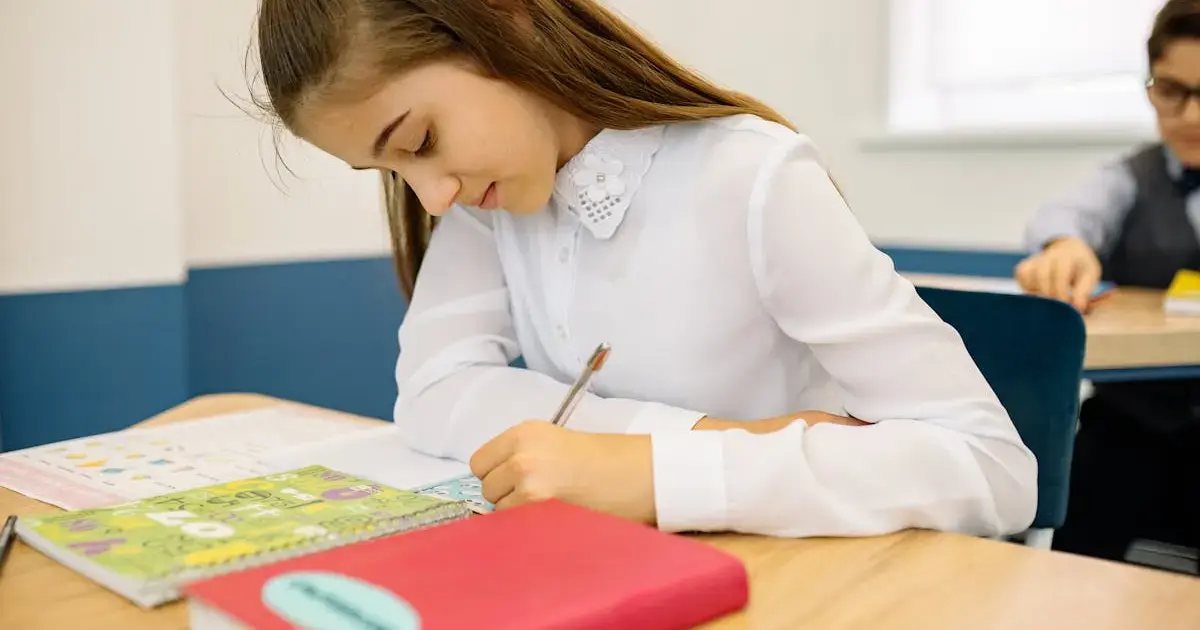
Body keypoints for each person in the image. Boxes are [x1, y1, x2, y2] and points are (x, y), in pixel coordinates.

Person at [252, 0, 1037, 538]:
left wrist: (658, 473)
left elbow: (992, 469)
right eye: (390, 172)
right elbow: (431, 392)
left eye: (420, 140)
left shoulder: (749, 177)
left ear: (504, 18)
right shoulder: (481, 204)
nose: (431, 196)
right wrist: (699, 439)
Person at [1016, 0, 1200, 563]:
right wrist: (1063, 246)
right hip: (1133, 423)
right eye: (1171, 91)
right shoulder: (1129, 177)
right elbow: (1066, 215)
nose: (1190, 116)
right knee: (1086, 496)